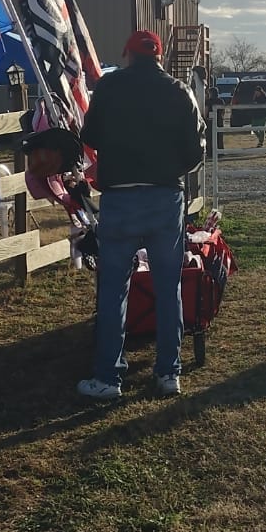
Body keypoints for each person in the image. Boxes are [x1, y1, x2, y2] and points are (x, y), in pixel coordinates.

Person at [78, 29, 203, 401]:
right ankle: (168, 373)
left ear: (128, 55)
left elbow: (91, 134)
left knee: (114, 289)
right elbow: (197, 146)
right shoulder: (180, 91)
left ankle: (108, 378)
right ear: (160, 57)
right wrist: (170, 170)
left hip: (119, 198)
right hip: (166, 197)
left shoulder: (110, 86)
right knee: (169, 288)